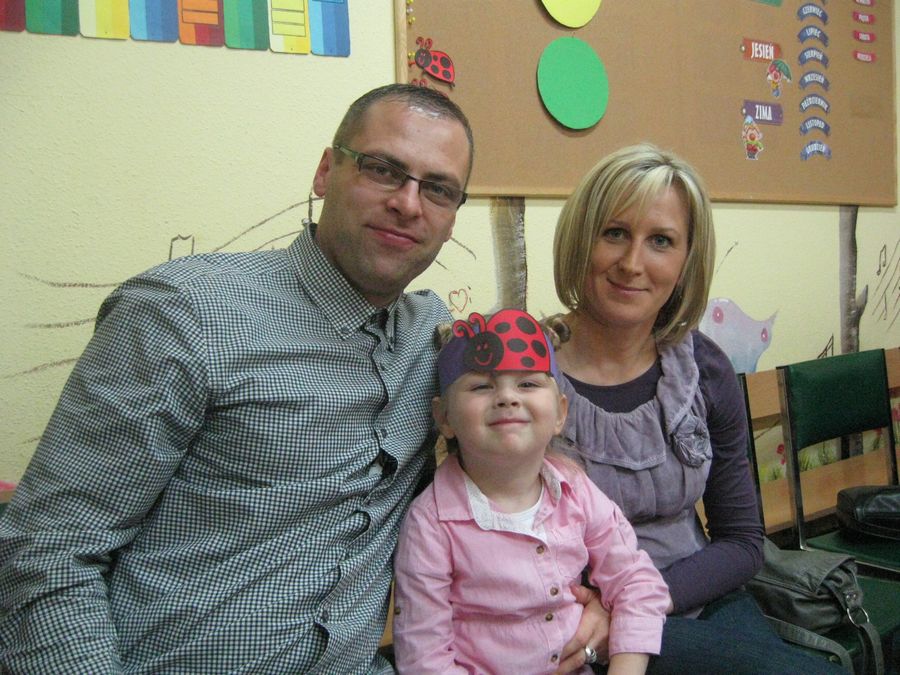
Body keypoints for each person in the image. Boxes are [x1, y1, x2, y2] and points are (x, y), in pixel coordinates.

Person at [0, 84, 474, 673]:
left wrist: (580, 606)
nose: (408, 203)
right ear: (325, 171)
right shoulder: (184, 312)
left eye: (438, 189)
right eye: (382, 169)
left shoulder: (434, 339)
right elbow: (47, 554)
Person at [547, 143, 844, 673]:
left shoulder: (704, 370)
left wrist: (635, 607)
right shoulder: (521, 372)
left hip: (694, 600)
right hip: (570, 627)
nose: (632, 263)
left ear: (686, 261)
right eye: (614, 233)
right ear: (581, 238)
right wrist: (606, 620)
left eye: (660, 241)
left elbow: (743, 542)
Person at [392, 309, 670, 675]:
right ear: (444, 417)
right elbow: (425, 660)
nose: (507, 397)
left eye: (527, 384)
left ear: (560, 413)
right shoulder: (430, 525)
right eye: (481, 386)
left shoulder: (577, 490)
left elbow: (636, 582)